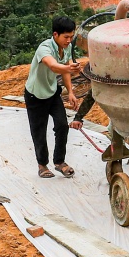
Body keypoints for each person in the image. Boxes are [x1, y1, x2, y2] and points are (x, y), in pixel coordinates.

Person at [25, 15, 82, 178]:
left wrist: (70, 91)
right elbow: (54, 66)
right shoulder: (45, 48)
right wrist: (69, 68)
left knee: (63, 125)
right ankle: (42, 165)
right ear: (55, 35)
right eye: (66, 37)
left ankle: (59, 162)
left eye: (71, 37)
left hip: (52, 92)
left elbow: (66, 69)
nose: (68, 40)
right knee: (39, 131)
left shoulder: (67, 47)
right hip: (35, 95)